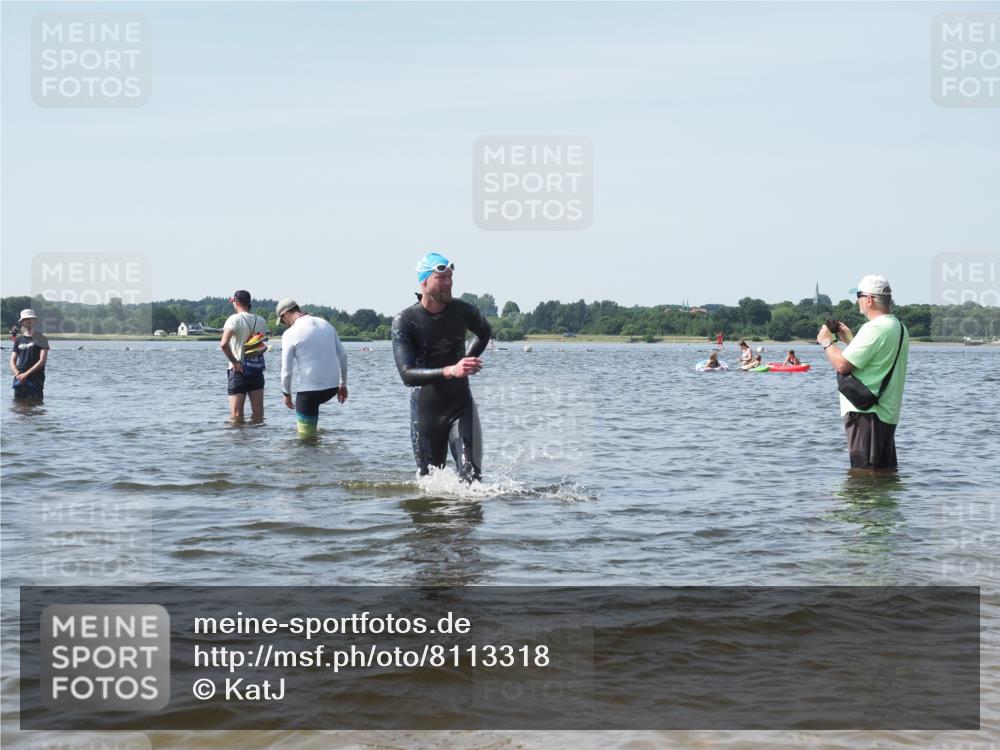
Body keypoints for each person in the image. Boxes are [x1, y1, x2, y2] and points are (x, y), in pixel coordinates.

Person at [391, 252, 492, 482]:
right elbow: (407, 375)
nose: (448, 284)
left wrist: (465, 362)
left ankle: (468, 518)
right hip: (426, 414)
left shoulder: (463, 311)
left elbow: (485, 333)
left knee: (472, 480)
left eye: (450, 278)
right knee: (430, 485)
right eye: (442, 278)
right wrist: (450, 371)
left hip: (461, 407)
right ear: (424, 281)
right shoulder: (405, 321)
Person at [817, 274, 909, 471]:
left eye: (858, 295)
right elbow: (874, 360)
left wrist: (827, 341)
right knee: (883, 474)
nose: (856, 301)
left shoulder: (874, 328)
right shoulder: (899, 327)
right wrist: (851, 339)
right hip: (886, 413)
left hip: (867, 414)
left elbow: (842, 365)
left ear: (869, 300)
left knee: (863, 475)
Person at [276, 297, 348, 439]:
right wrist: (343, 385)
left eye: (283, 321)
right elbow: (343, 356)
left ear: (285, 315)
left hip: (309, 394)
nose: (285, 324)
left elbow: (286, 372)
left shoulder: (290, 333)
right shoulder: (326, 324)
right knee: (313, 431)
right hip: (332, 389)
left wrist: (286, 393)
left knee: (305, 441)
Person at [219, 290, 268, 423]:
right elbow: (260, 345)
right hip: (256, 369)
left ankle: (238, 443)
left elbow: (224, 344)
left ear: (236, 302)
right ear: (249, 303)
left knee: (236, 416)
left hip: (238, 371)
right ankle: (257, 442)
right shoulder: (262, 321)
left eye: (233, 302)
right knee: (258, 415)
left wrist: (235, 362)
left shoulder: (233, 319)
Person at [9, 309, 49, 402]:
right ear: (22, 322)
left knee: (36, 408)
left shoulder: (41, 338)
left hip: (35, 378)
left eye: (30, 318)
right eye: (25, 319)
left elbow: (42, 360)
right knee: (18, 408)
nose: (28, 320)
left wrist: (26, 374)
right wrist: (18, 374)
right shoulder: (18, 340)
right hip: (19, 378)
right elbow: (12, 361)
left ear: (35, 321)